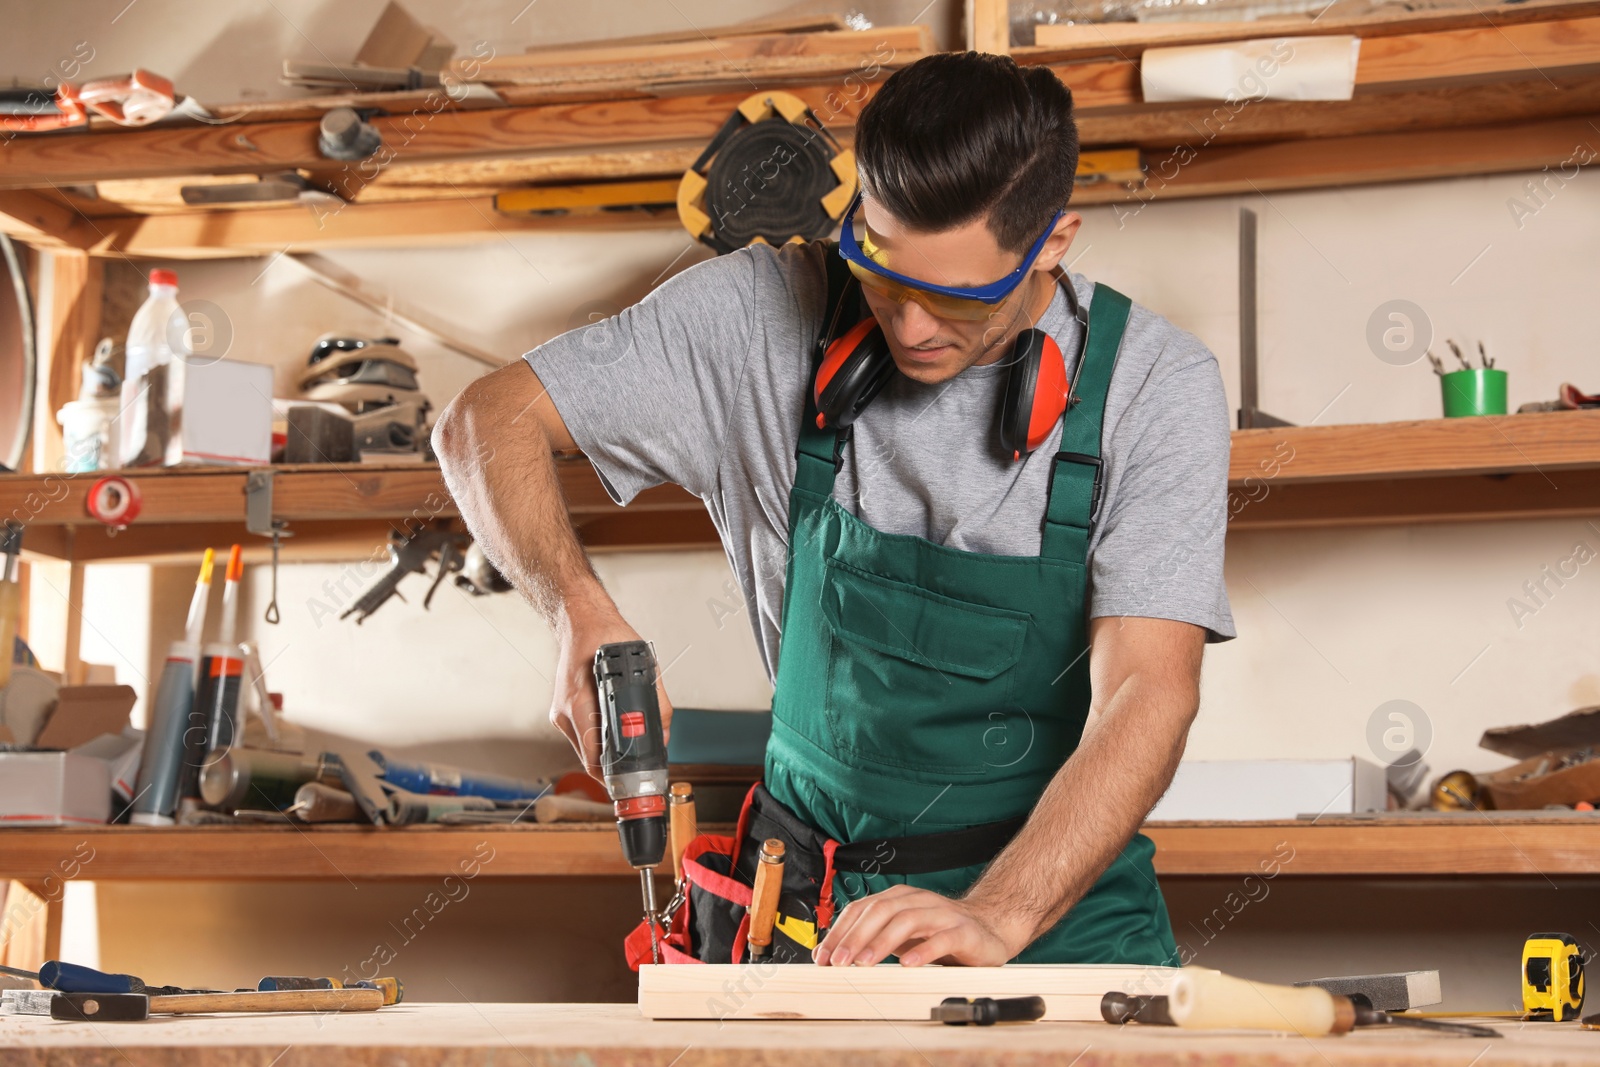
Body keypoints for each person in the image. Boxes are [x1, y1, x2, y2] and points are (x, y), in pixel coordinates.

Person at [435, 51, 1236, 968]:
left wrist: (1000, 913)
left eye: (956, 298)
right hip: (810, 904)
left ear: (1053, 242)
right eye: (882, 277)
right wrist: (574, 607)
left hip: (1050, 912)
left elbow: (1149, 689)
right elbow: (482, 423)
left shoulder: (1154, 386)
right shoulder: (756, 314)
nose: (909, 329)